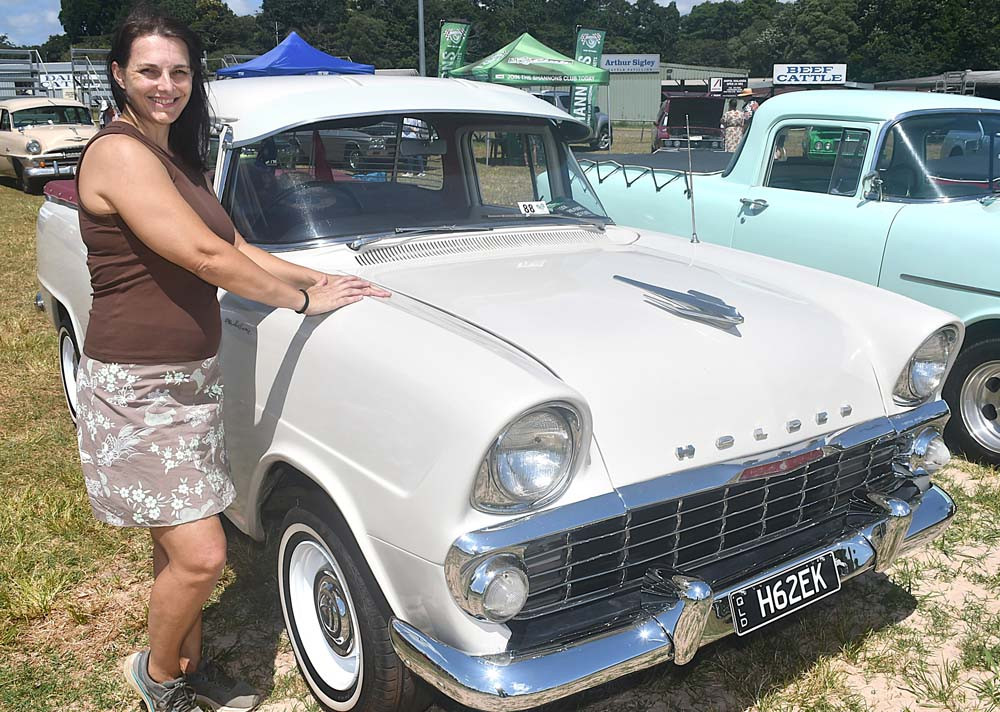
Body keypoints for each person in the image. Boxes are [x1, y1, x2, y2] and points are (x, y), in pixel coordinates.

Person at [74, 7, 391, 712]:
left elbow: (237, 245)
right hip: (140, 383)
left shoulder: (171, 156)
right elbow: (205, 257)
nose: (166, 84)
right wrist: (301, 305)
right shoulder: (120, 152)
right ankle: (157, 679)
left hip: (188, 379)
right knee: (203, 553)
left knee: (175, 539)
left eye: (179, 71)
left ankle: (184, 658)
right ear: (120, 73)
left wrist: (312, 278)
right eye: (150, 71)